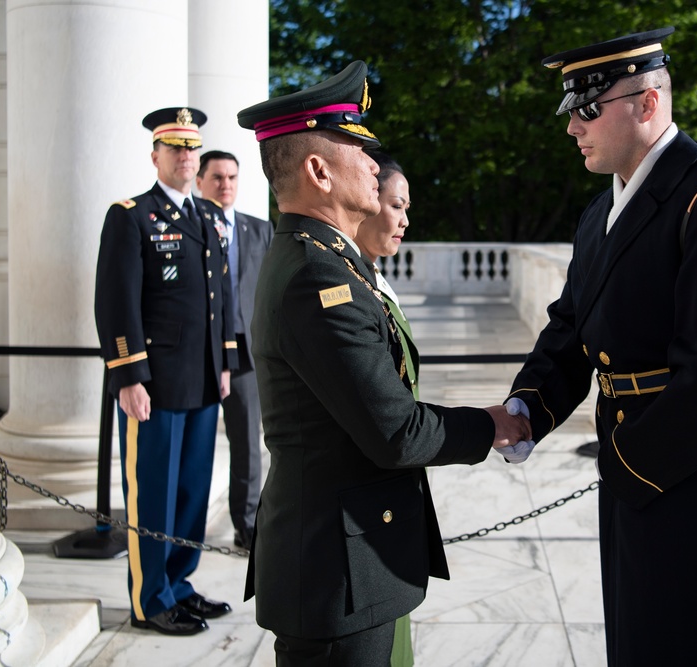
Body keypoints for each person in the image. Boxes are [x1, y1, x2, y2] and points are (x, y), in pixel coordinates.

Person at [506, 29, 697, 665]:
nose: (572, 128)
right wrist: (527, 405)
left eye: (588, 109)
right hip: (636, 453)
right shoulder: (599, 212)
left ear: (647, 104)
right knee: (644, 633)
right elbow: (571, 325)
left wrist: (628, 463)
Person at [236, 60, 530, 666]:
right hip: (334, 571)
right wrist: (493, 424)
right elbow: (396, 431)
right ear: (319, 171)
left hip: (350, 555)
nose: (375, 163)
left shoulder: (325, 259)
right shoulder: (316, 276)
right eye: (357, 147)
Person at [94, 107, 238, 636]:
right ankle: (150, 599)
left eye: (191, 147)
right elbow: (116, 303)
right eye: (174, 147)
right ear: (155, 155)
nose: (184, 156)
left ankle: (179, 584)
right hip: (153, 384)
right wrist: (128, 376)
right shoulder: (131, 215)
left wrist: (224, 362)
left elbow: (217, 297)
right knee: (153, 491)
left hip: (201, 379)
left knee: (192, 491)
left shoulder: (206, 215)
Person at [354, 151, 415, 667]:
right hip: (362, 516)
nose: (404, 219)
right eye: (396, 204)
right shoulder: (344, 286)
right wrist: (487, 426)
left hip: (388, 503)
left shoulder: (374, 279)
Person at [195, 149, 274, 550]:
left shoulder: (260, 230)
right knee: (194, 443)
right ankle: (184, 527)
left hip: (244, 353)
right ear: (200, 182)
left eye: (232, 178)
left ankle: (247, 525)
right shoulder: (187, 226)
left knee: (246, 442)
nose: (225, 185)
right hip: (196, 353)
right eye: (217, 178)